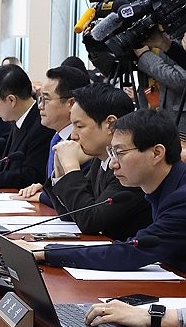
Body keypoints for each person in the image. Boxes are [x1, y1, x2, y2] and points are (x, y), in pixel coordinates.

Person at [24, 109, 186, 271]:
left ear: (156, 153)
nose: (112, 164)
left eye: (120, 153)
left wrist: (46, 252)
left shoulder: (181, 199)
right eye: (112, 153)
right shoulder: (161, 186)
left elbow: (131, 252)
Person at [43, 83, 150, 239]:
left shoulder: (129, 166)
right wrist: (60, 170)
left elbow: (90, 221)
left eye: (79, 126)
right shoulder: (100, 159)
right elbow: (69, 214)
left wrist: (71, 167)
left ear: (111, 124)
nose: (73, 135)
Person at [16, 66, 91, 202]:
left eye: (46, 99)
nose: (40, 106)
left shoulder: (85, 142)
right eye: (40, 99)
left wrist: (44, 196)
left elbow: (82, 198)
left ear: (71, 103)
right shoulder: (57, 137)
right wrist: (46, 189)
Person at [135, 30, 186, 131]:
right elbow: (111, 69)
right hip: (149, 109)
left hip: (178, 119)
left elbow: (181, 82)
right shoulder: (139, 29)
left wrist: (144, 56)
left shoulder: (179, 28)